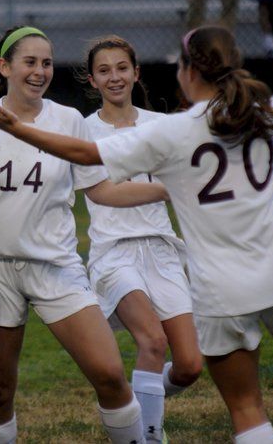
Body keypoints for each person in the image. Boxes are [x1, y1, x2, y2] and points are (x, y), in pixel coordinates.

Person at [0, 10, 273, 444]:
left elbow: (88, 156)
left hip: (220, 290)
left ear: (186, 72)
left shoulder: (172, 131)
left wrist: (21, 130)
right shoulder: (265, 113)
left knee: (246, 409)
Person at [0, 25, 170, 443]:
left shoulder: (69, 120)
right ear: (5, 66)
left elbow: (102, 189)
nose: (40, 71)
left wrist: (174, 188)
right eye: (30, 62)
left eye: (47, 63)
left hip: (56, 267)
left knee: (110, 376)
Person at [82, 36, 202, 443]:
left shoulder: (162, 126)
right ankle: (148, 436)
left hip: (163, 250)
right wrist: (168, 188)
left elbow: (203, 164)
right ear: (92, 79)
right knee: (152, 341)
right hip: (114, 254)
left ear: (136, 72)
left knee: (189, 366)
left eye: (121, 68)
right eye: (104, 70)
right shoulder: (85, 130)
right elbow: (103, 193)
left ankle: (140, 402)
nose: (114, 77)